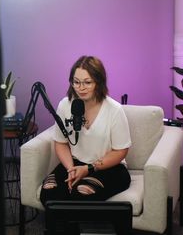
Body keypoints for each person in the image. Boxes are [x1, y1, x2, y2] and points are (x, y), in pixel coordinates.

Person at [39, 55, 131, 204]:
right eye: (76, 82)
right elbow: (61, 143)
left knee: (81, 193)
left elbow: (121, 151)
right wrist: (71, 169)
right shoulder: (65, 105)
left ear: (99, 82)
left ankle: (77, 227)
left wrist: (89, 168)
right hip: (75, 163)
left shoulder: (114, 110)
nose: (80, 88)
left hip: (109, 168)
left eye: (87, 82)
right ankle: (61, 228)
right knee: (49, 193)